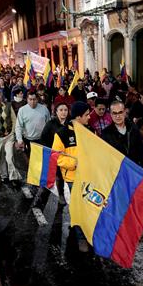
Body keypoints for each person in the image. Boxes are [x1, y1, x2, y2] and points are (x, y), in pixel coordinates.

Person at [52, 101, 92, 252]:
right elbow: (57, 157)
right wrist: (75, 163)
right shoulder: (61, 133)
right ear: (78, 116)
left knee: (89, 208)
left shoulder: (90, 131)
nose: (89, 117)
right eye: (87, 115)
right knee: (77, 210)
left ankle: (87, 233)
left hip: (89, 177)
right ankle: (81, 238)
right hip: (72, 179)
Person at [102, 101, 143, 167]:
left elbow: (141, 154)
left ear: (125, 112)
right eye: (114, 113)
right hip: (117, 172)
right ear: (110, 114)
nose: (118, 116)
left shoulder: (134, 129)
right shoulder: (106, 133)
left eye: (120, 112)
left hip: (134, 171)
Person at [15, 90, 50, 163]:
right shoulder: (22, 110)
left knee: (41, 160)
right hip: (28, 140)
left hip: (41, 139)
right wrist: (19, 139)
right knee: (30, 160)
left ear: (37, 99)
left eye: (34, 99)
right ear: (27, 99)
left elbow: (48, 124)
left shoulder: (44, 109)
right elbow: (18, 126)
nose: (32, 102)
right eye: (30, 99)